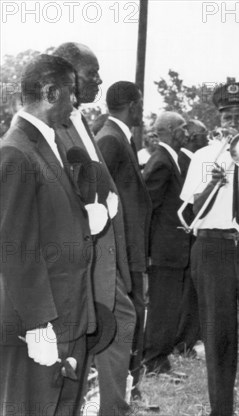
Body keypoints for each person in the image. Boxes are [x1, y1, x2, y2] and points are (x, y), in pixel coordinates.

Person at [0, 54, 93, 415]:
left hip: (65, 313)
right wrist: (38, 327)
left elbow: (47, 220)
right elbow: (14, 248)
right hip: (38, 323)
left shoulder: (42, 145)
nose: (76, 103)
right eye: (72, 94)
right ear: (52, 92)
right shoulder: (15, 152)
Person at [180, 82, 239, 416]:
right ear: (218, 118)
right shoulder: (205, 156)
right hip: (213, 249)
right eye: (227, 115)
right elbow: (192, 211)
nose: (233, 122)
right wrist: (213, 181)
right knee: (217, 337)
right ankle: (220, 410)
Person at [53, 43, 137, 414]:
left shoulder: (82, 122)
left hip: (102, 258)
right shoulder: (52, 126)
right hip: (78, 261)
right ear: (68, 76)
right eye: (92, 73)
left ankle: (109, 407)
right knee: (96, 336)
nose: (100, 80)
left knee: (115, 327)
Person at [95, 80, 152, 403]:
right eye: (140, 103)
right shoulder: (110, 140)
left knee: (134, 319)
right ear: (133, 105)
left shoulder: (119, 138)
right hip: (120, 253)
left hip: (130, 251)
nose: (141, 109)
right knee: (127, 321)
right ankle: (120, 395)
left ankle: (128, 392)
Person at [142, 111, 192, 375]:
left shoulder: (170, 159)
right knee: (163, 307)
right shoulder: (161, 161)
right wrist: (148, 251)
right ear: (172, 131)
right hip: (164, 251)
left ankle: (158, 359)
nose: (187, 132)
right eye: (183, 128)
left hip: (171, 250)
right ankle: (155, 361)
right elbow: (148, 208)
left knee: (169, 306)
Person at [173, 118, 207, 355]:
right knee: (189, 293)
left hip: (190, 235)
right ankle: (185, 340)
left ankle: (189, 337)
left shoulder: (186, 159)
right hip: (186, 235)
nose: (209, 138)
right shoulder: (187, 160)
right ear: (194, 137)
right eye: (204, 135)